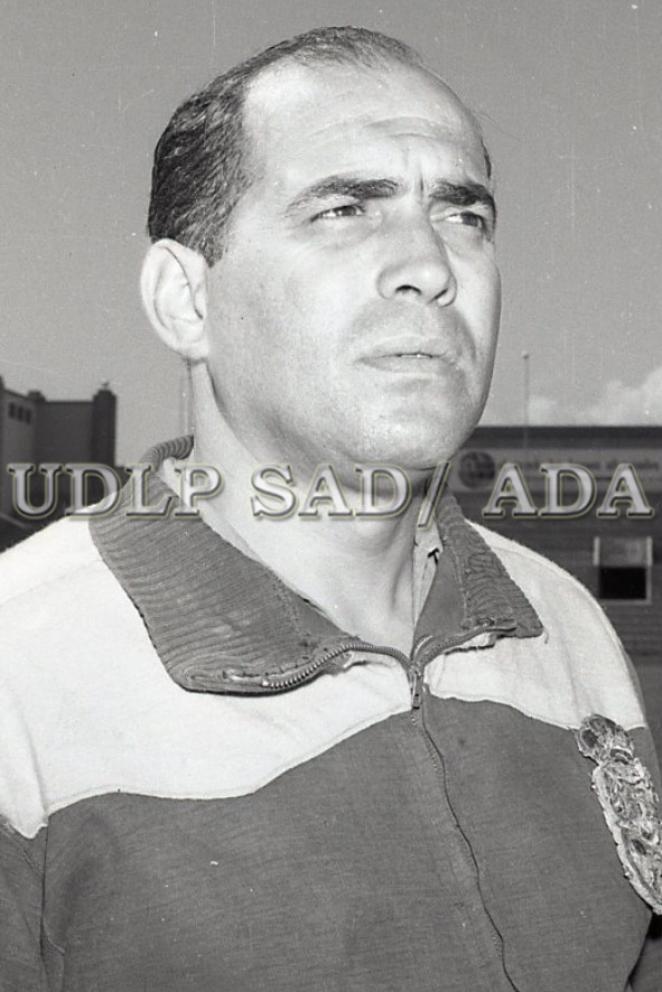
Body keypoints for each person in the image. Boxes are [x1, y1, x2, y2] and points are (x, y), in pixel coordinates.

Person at [1, 25, 660, 992]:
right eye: (345, 209)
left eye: (464, 216)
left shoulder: (566, 626)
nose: (431, 264)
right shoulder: (19, 670)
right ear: (186, 301)